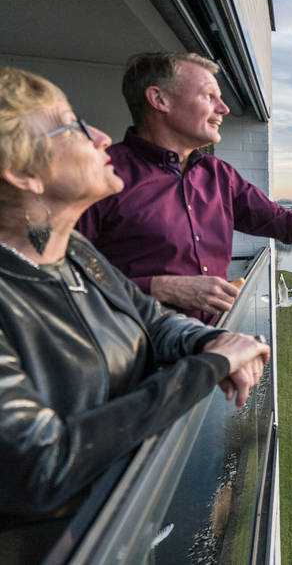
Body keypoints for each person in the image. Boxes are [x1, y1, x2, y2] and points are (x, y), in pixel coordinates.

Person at [0, 67, 271, 560]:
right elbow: (42, 466)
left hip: (121, 517)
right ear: (24, 174)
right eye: (74, 127)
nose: (101, 135)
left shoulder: (75, 253)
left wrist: (206, 340)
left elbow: (154, 319)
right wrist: (209, 365)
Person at [77, 52, 292, 321]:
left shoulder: (219, 175)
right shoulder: (97, 174)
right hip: (127, 366)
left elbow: (283, 224)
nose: (223, 108)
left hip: (210, 355)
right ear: (160, 100)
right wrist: (159, 287)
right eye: (209, 96)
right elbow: (53, 276)